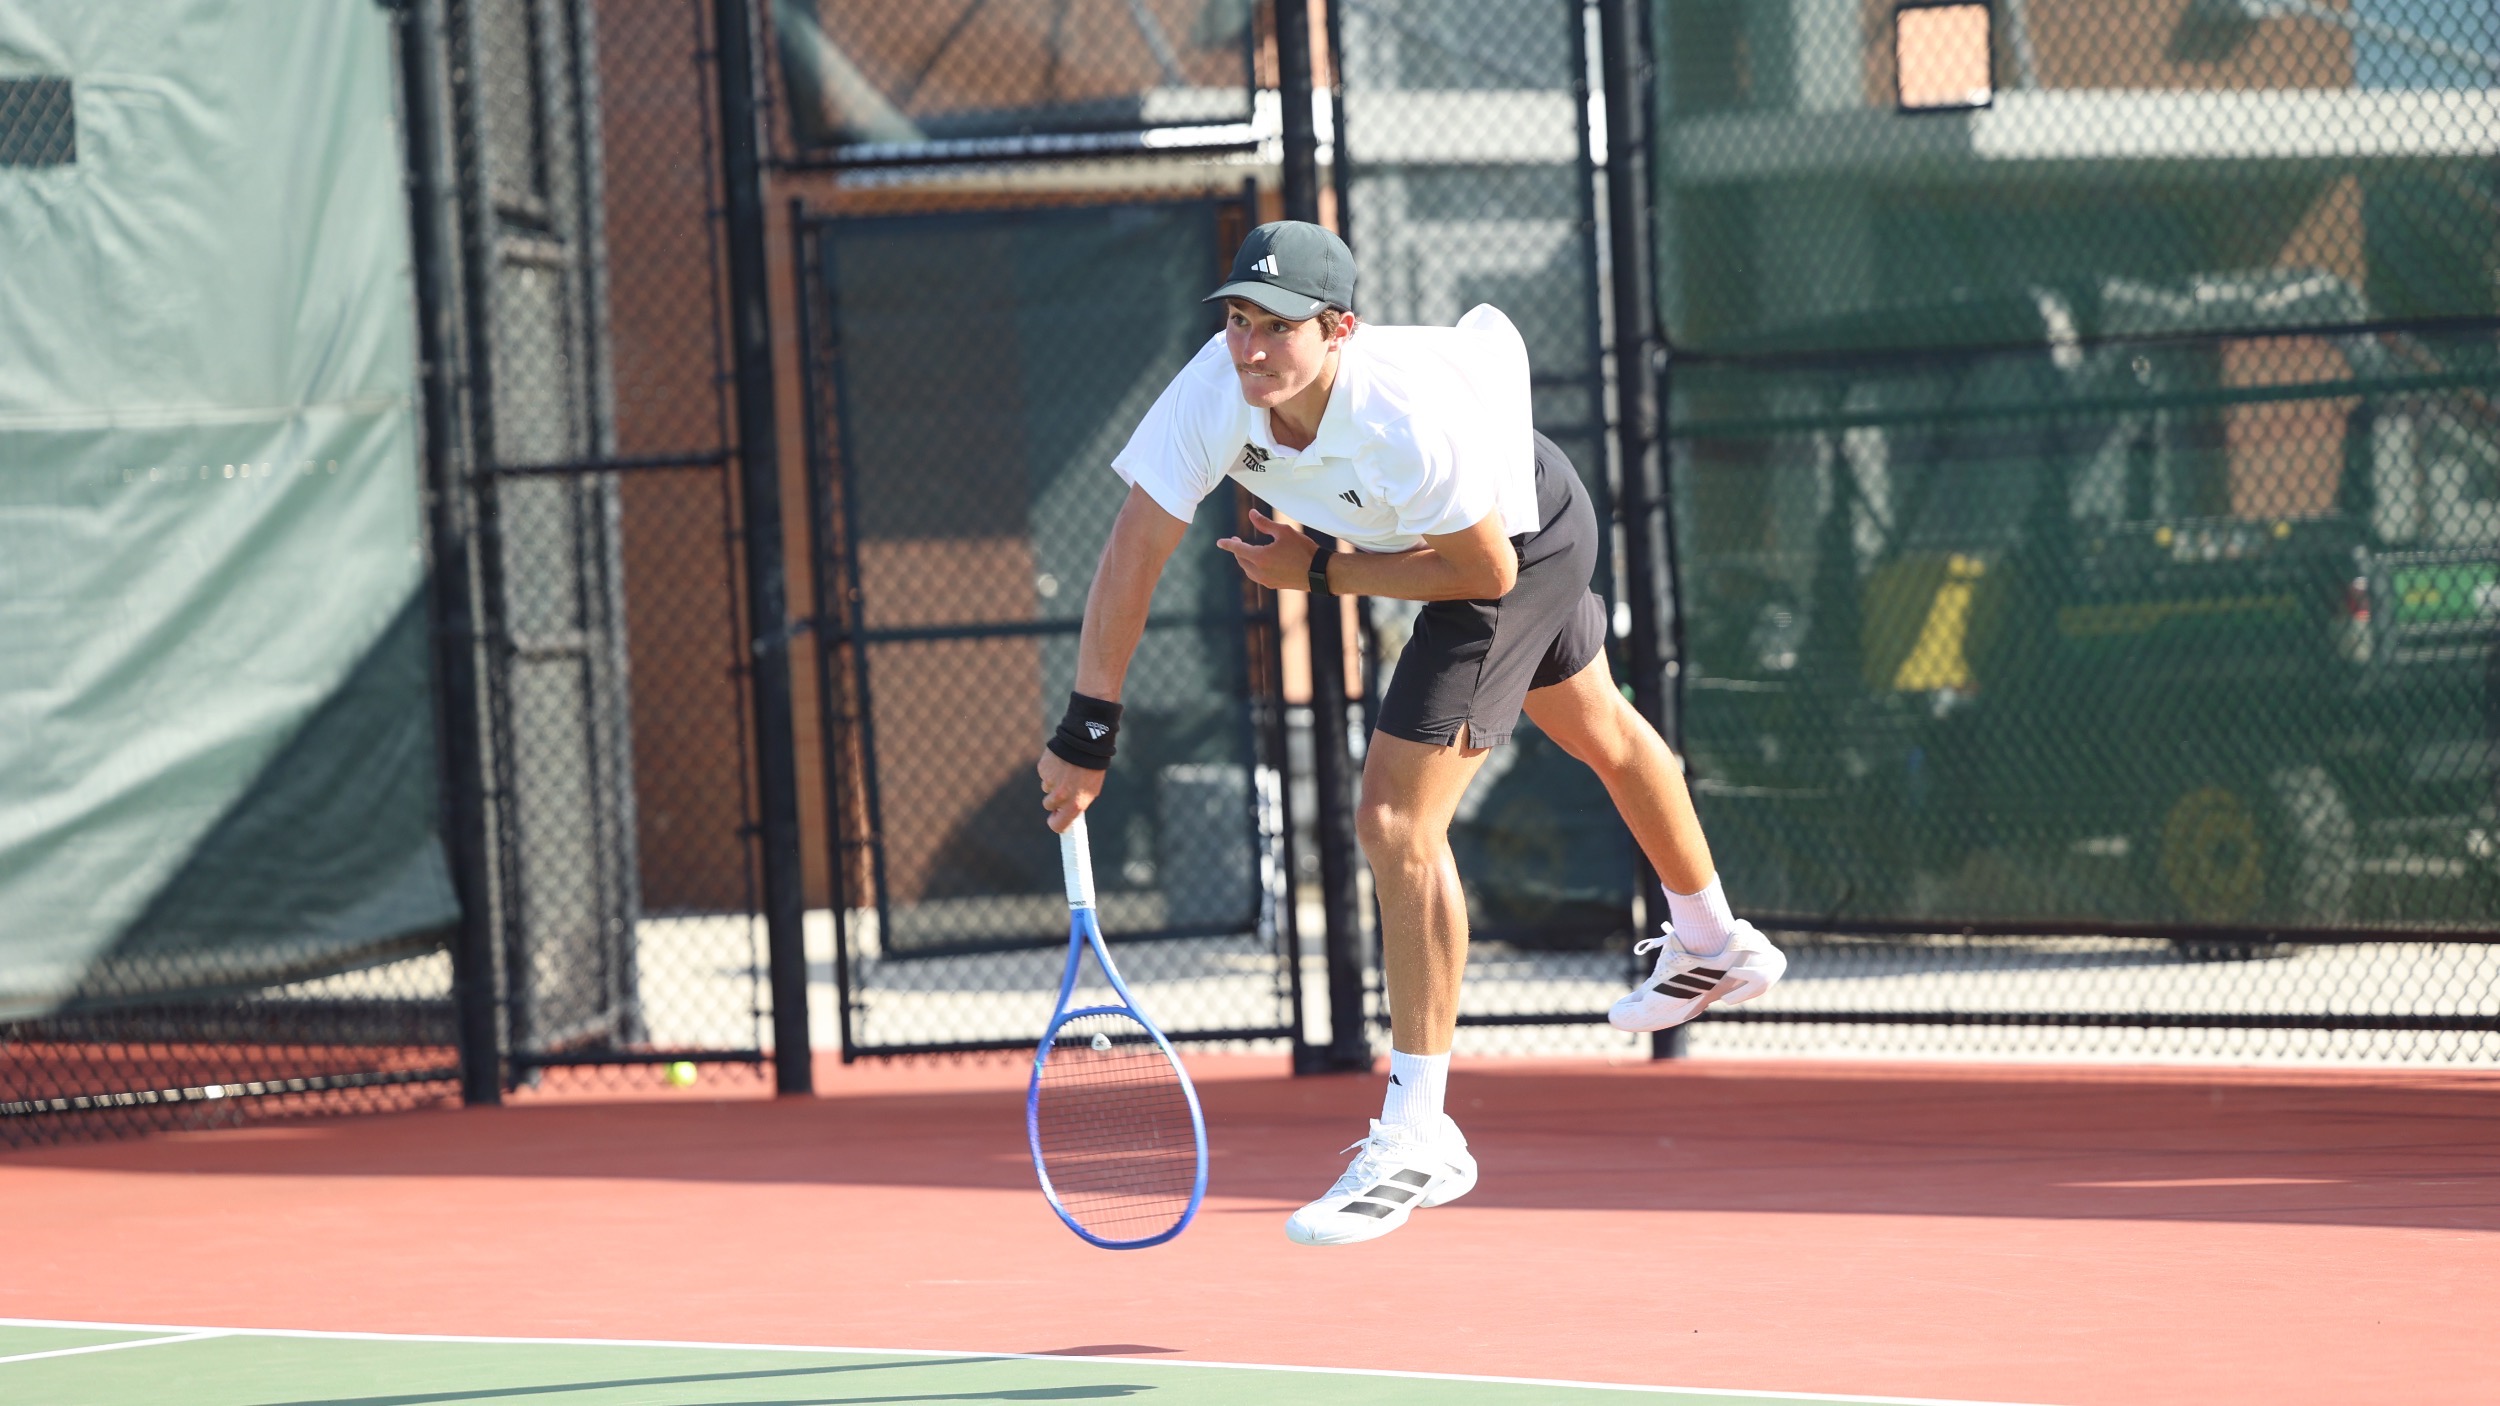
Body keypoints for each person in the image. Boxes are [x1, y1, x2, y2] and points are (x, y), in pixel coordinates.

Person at [1035, 221, 1785, 1246]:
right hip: (1466, 527)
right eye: (1238, 321)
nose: (1249, 347)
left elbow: (1482, 576)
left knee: (1393, 820)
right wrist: (1088, 725)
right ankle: (1716, 940)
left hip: (1508, 542)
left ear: (1339, 328)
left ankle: (1420, 1128)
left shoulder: (1398, 417)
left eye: (1277, 328)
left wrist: (1320, 572)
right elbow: (1134, 550)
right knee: (1598, 727)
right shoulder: (1215, 390)